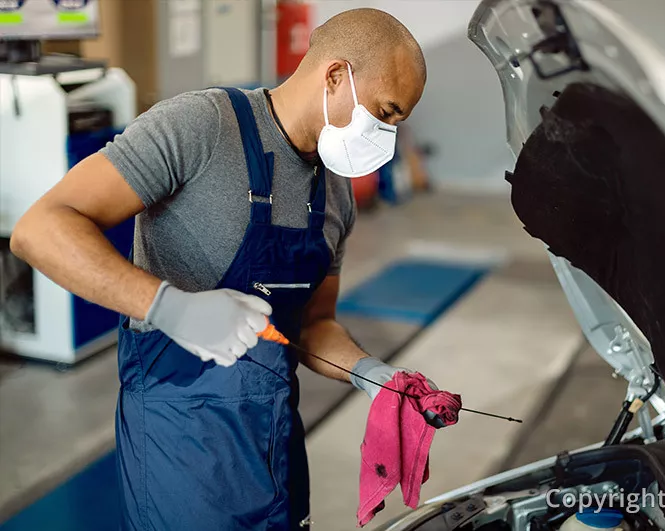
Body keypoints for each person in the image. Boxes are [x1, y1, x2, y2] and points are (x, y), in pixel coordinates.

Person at [10, 8, 430, 530]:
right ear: (335, 75)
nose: (386, 136)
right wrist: (169, 307)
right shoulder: (202, 126)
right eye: (385, 113)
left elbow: (315, 325)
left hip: (274, 442)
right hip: (179, 442)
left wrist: (373, 376)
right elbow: (41, 228)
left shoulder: (336, 191)